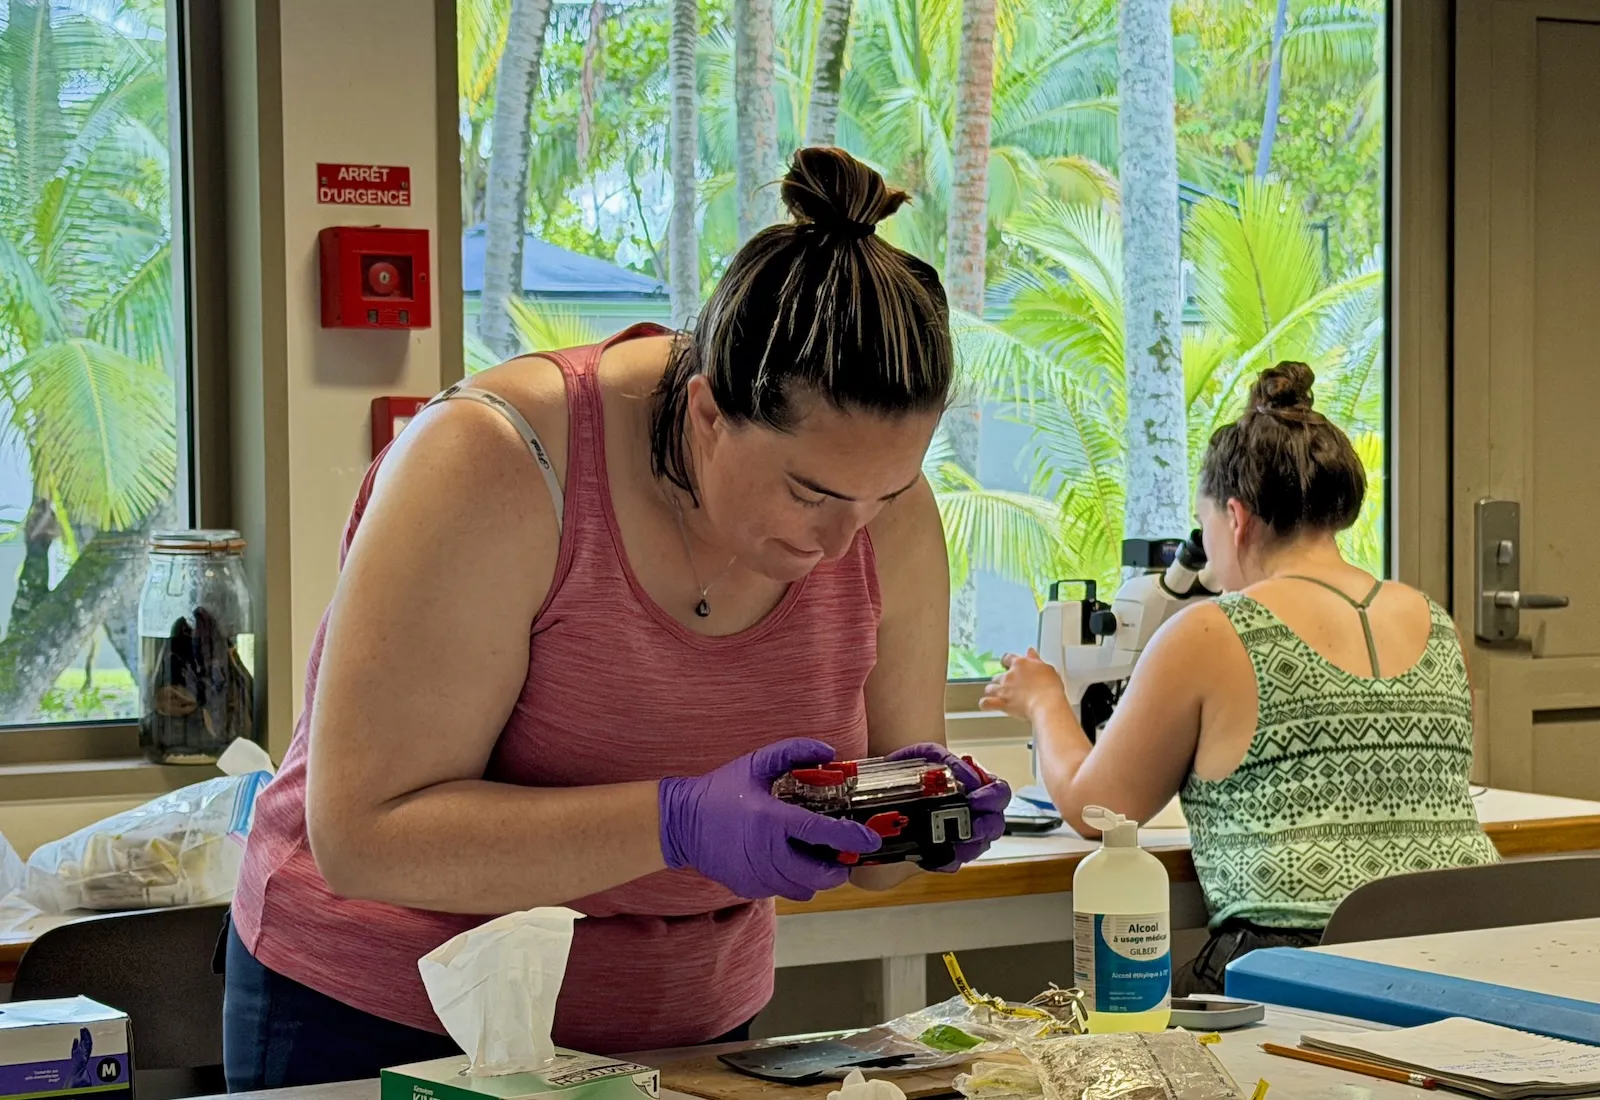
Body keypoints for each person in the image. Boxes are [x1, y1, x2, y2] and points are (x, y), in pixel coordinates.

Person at [224, 146, 1010, 1089]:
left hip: (694, 1030)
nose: (845, 544)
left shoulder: (882, 515)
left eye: (886, 495)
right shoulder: (496, 465)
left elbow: (880, 867)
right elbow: (363, 837)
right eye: (809, 493)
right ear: (708, 412)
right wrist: (673, 822)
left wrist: (918, 823)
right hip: (394, 1020)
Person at [982, 361, 1497, 994]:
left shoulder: (1212, 630)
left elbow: (1099, 811)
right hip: (1472, 959)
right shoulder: (1433, 619)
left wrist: (1044, 701)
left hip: (1305, 971)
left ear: (1236, 518)